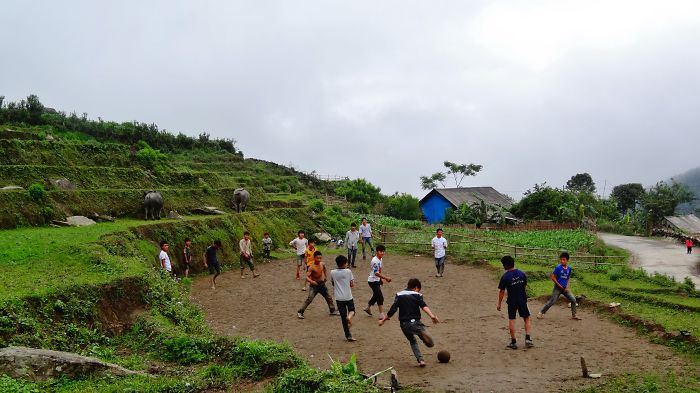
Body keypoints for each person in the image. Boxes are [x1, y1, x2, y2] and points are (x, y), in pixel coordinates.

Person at [378, 278, 439, 367]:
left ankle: (420, 360)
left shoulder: (399, 295)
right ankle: (422, 333)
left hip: (404, 325)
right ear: (416, 287)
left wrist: (383, 320)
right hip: (415, 323)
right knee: (431, 344)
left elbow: (392, 310)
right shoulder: (417, 295)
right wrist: (432, 316)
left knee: (412, 341)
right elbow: (423, 306)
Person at [497, 255, 533, 349]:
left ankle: (513, 342)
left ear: (505, 265)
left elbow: (502, 291)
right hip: (522, 299)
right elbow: (524, 286)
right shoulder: (521, 274)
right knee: (526, 318)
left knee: (512, 320)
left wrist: (499, 304)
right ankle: (528, 339)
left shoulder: (505, 277)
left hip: (512, 301)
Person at [537, 252, 582, 320]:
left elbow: (568, 278)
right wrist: (559, 286)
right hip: (557, 288)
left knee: (573, 299)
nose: (562, 261)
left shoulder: (569, 268)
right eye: (561, 259)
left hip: (565, 289)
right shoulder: (558, 268)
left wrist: (567, 286)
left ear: (567, 260)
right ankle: (541, 312)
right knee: (552, 301)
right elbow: (553, 277)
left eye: (563, 259)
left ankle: (574, 315)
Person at [297, 251, 337, 319]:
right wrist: (312, 281)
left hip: (321, 284)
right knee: (309, 299)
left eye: (320, 258)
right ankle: (300, 312)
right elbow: (306, 277)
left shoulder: (322, 264)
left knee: (328, 297)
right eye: (317, 258)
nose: (319, 260)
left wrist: (325, 277)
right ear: (314, 258)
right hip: (314, 286)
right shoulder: (312, 267)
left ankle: (332, 310)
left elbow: (324, 269)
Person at [330, 255, 356, 341]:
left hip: (338, 298)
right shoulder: (348, 271)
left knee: (342, 317)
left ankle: (348, 335)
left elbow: (333, 283)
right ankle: (349, 317)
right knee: (352, 311)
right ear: (345, 263)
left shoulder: (332, 272)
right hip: (348, 296)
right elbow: (351, 284)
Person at [363, 244, 392, 319]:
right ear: (376, 252)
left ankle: (367, 307)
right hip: (372, 281)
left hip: (376, 280)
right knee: (380, 297)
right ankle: (381, 315)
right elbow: (376, 273)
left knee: (376, 295)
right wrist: (386, 278)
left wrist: (381, 279)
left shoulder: (380, 259)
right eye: (380, 251)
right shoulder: (375, 260)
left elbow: (380, 270)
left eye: (383, 251)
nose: (382, 253)